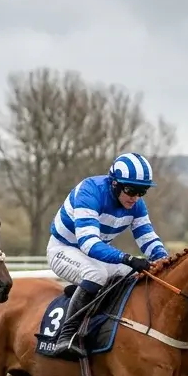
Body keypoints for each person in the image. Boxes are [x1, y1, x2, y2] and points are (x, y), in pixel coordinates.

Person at [42, 152, 170, 358]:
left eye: (142, 191)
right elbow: (89, 243)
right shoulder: (90, 192)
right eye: (130, 190)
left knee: (133, 275)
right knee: (96, 274)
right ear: (114, 184)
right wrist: (127, 258)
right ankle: (66, 335)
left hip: (94, 254)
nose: (135, 197)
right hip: (63, 249)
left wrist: (164, 260)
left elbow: (147, 238)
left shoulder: (136, 205)